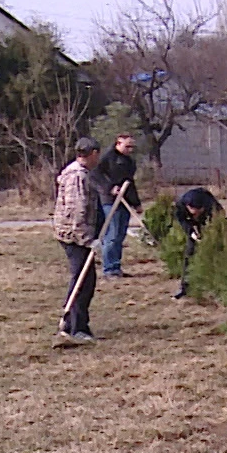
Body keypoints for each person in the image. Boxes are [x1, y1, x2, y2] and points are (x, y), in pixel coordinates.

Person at [52, 138, 105, 345]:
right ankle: (76, 327)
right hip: (74, 237)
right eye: (97, 154)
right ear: (92, 153)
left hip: (78, 236)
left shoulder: (81, 174)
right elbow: (77, 212)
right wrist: (87, 240)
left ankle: (71, 322)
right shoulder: (77, 176)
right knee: (83, 281)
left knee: (85, 280)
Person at [93, 132, 141, 278]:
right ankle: (109, 269)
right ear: (118, 144)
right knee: (112, 235)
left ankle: (116, 267)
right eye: (127, 146)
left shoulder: (129, 162)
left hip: (124, 202)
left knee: (120, 235)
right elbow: (95, 175)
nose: (130, 149)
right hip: (110, 201)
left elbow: (130, 183)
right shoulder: (107, 158)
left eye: (132, 147)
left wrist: (136, 203)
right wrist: (110, 187)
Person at [171, 186, 223, 299]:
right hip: (194, 229)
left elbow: (220, 220)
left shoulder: (212, 205)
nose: (197, 214)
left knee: (216, 255)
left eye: (200, 211)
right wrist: (192, 232)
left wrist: (210, 235)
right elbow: (181, 220)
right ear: (188, 207)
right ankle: (185, 287)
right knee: (189, 254)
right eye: (195, 212)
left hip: (211, 226)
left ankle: (218, 286)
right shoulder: (180, 206)